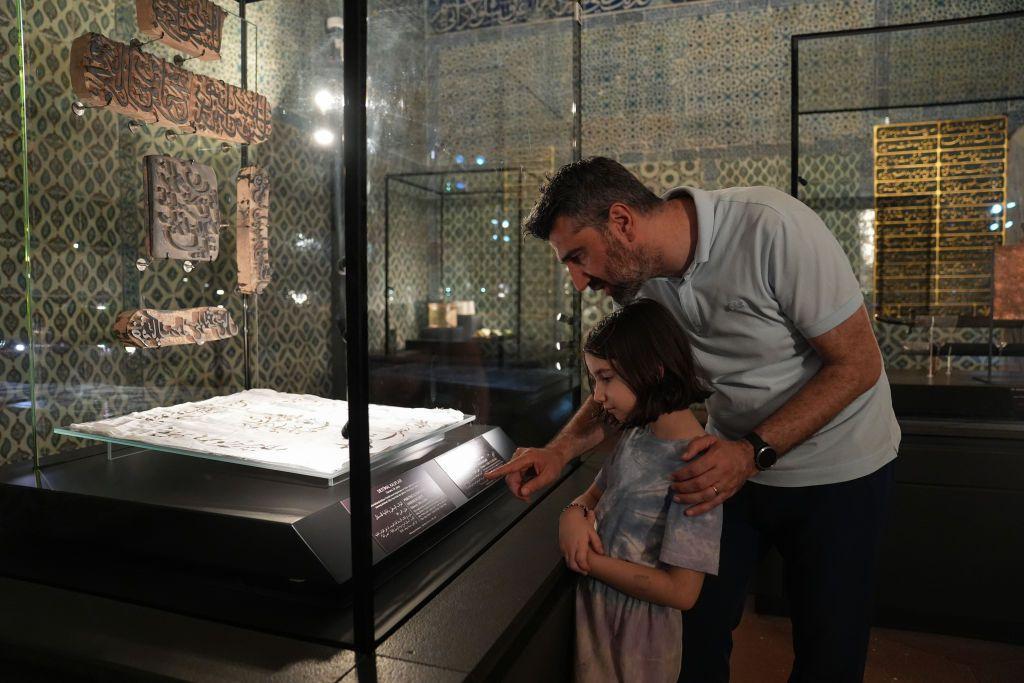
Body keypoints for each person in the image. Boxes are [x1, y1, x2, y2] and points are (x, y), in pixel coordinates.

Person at [485, 157, 900, 682]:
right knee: (696, 628)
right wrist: (560, 450)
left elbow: (859, 363)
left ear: (622, 221)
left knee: (829, 650)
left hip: (841, 470)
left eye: (579, 256)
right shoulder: (642, 286)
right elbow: (628, 386)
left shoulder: (771, 227)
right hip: (729, 463)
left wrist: (752, 452)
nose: (578, 282)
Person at [563, 298, 720, 682]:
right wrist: (573, 514)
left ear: (652, 370)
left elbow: (682, 592)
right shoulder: (635, 436)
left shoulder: (696, 466)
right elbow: (595, 496)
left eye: (607, 378)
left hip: (640, 644)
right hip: (599, 622)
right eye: (594, 379)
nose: (597, 396)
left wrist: (587, 559)